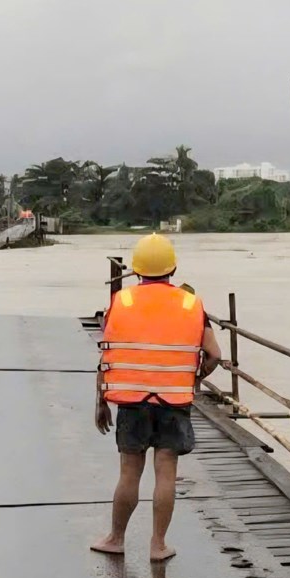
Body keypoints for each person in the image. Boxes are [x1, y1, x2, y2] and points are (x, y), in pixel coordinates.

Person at [90, 233, 223, 561]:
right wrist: (193, 378)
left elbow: (107, 355)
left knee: (129, 472)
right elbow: (214, 354)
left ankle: (116, 538)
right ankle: (158, 545)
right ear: (172, 268)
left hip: (131, 402)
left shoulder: (122, 302)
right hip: (174, 402)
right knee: (166, 472)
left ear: (135, 271)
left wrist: (100, 400)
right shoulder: (192, 304)